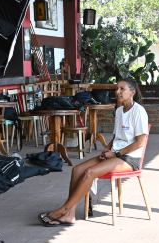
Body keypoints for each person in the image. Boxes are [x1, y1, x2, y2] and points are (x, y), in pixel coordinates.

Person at [39, 79, 148, 226]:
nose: (118, 92)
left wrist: (116, 154)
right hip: (115, 154)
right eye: (117, 89)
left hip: (129, 159)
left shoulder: (139, 111)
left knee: (89, 172)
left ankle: (64, 209)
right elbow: (117, 136)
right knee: (77, 170)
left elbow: (140, 142)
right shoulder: (119, 111)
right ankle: (70, 215)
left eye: (122, 89)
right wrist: (108, 148)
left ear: (132, 92)